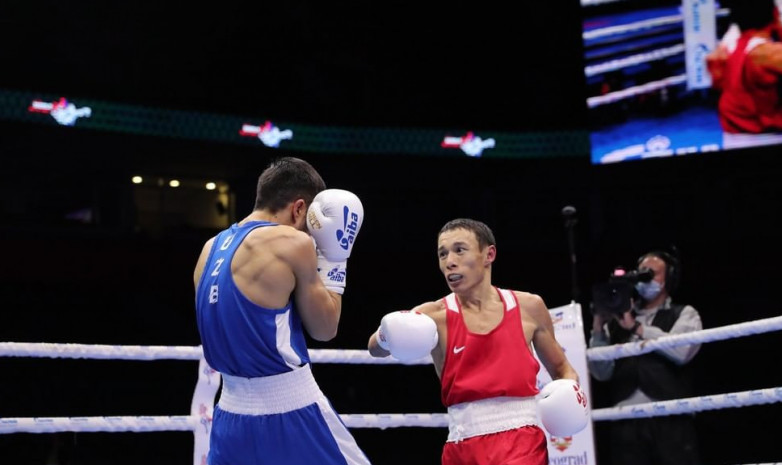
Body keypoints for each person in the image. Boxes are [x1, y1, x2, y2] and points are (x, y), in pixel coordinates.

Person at [193, 156, 371, 465]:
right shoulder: (292, 241)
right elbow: (325, 328)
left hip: (230, 416)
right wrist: (335, 259)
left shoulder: (209, 249)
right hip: (291, 410)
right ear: (299, 208)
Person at [367, 218, 588, 465]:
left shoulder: (529, 307)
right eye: (442, 254)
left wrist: (570, 395)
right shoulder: (433, 315)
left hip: (522, 442)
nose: (449, 262)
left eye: (459, 250)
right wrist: (386, 335)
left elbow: (562, 369)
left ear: (488, 254)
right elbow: (374, 349)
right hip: (461, 445)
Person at [588, 250, 703, 465]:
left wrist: (637, 328)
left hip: (671, 419)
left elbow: (683, 351)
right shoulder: (616, 320)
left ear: (668, 278)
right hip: (625, 423)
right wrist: (598, 328)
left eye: (651, 274)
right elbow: (600, 373)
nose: (644, 278)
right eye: (641, 273)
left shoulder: (684, 313)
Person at [706, 0, 782, 149]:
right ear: (774, 14)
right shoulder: (769, 54)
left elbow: (717, 85)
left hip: (732, 138)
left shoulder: (723, 50)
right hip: (767, 140)